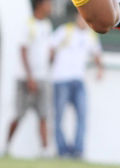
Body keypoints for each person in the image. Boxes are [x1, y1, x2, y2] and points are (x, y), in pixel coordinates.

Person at [49, 13, 103, 158]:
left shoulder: (91, 35)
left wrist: (100, 69)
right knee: (59, 117)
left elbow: (96, 53)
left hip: (78, 80)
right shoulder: (65, 30)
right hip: (61, 79)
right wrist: (52, 63)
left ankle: (77, 150)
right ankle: (62, 150)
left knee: (82, 116)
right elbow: (51, 47)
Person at [6, 0, 53, 156]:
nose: (51, 6)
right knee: (19, 114)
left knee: (43, 115)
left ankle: (44, 151)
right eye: (48, 3)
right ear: (40, 4)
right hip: (26, 78)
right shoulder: (28, 24)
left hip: (43, 77)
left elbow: (47, 50)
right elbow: (23, 50)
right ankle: (6, 147)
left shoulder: (47, 25)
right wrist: (29, 76)